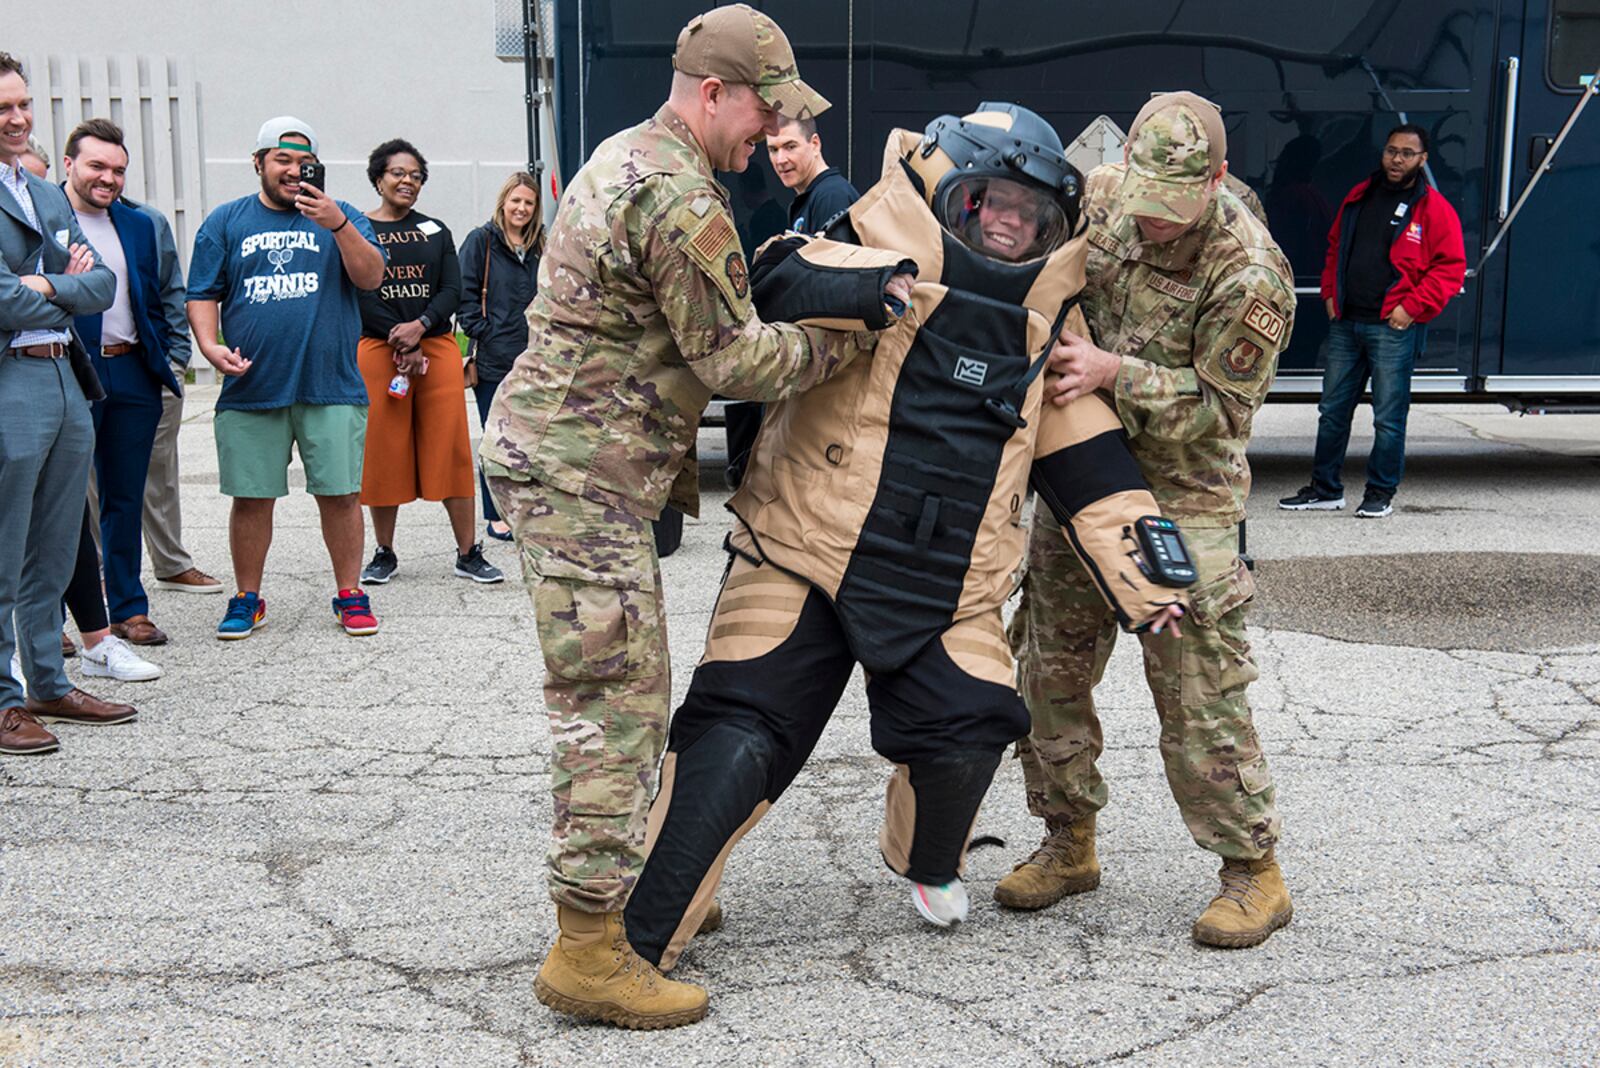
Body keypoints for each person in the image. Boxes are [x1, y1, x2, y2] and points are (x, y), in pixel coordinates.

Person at [622, 102, 1189, 978]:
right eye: (989, 200)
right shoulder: (859, 243)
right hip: (803, 556)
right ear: (944, 191)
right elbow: (769, 277)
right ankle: (636, 944)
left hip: (950, 588)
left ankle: (924, 858)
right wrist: (863, 285)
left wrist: (1153, 589)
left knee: (974, 726)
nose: (1006, 222)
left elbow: (1093, 466)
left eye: (1029, 213)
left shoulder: (1050, 332)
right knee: (733, 744)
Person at [479, 3, 907, 1029]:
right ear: (713, 92)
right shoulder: (680, 196)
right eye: (761, 112)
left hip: (573, 464)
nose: (767, 132)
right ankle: (588, 949)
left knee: (632, 682)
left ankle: (624, 891)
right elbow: (735, 359)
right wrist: (847, 342)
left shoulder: (622, 156)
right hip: (582, 477)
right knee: (613, 706)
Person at [998, 91, 1298, 949]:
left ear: (1218, 179)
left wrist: (1111, 371)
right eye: (1145, 204)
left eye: (1175, 210)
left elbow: (1220, 410)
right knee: (1046, 671)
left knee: (1198, 692)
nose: (1154, 225)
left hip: (1182, 495)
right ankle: (1068, 842)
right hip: (1084, 475)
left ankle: (1253, 872)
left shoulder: (1250, 272)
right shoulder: (1105, 197)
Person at [186, 116, 386, 640]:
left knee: (341, 494)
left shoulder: (342, 217)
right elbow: (202, 292)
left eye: (304, 162)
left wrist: (337, 224)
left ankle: (350, 594)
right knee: (251, 498)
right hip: (253, 386)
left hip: (331, 384)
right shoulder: (227, 221)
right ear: (258, 163)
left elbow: (370, 277)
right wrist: (210, 346)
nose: (294, 170)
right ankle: (247, 597)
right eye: (282, 159)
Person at [1, 52, 139, 757]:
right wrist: (60, 282)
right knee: (3, 548)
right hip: (8, 383)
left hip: (61, 375)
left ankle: (47, 682)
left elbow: (102, 285)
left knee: (54, 548)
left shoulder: (43, 193)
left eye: (24, 105)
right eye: (4, 110)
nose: (19, 119)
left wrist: (47, 286)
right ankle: (2, 700)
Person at [1279, 123, 1465, 519]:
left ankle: (1380, 492)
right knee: (1332, 411)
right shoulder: (1359, 196)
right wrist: (1330, 294)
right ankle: (1325, 488)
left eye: (1407, 153)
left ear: (1422, 159)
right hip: (1347, 324)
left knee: (1388, 418)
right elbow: (1334, 248)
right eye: (1391, 151)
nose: (1397, 159)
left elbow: (1450, 269)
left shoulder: (1434, 209)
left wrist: (1411, 308)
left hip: (1393, 329)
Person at [61, 118, 186, 648]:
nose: (108, 178)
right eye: (96, 166)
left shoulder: (139, 223)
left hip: (133, 371)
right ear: (69, 165)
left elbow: (164, 292)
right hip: (68, 370)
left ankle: (128, 609)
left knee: (124, 497)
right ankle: (52, 618)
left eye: (118, 170)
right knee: (61, 501)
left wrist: (174, 358)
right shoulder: (45, 219)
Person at [355, 139, 501, 587]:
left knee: (451, 450)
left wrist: (420, 327)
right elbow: (360, 291)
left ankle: (467, 552)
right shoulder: (357, 230)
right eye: (398, 173)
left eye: (416, 175)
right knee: (384, 452)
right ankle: (384, 552)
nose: (408, 182)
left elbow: (451, 289)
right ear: (378, 177)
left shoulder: (434, 230)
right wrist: (399, 339)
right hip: (380, 350)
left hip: (434, 348)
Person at [457, 172, 541, 543]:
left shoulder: (540, 245)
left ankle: (526, 510)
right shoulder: (482, 241)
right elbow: (464, 296)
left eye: (529, 203)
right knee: (498, 441)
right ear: (503, 202)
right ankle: (496, 514)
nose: (521, 208)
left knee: (532, 441)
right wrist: (486, 333)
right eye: (516, 201)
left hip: (536, 360)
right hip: (493, 361)